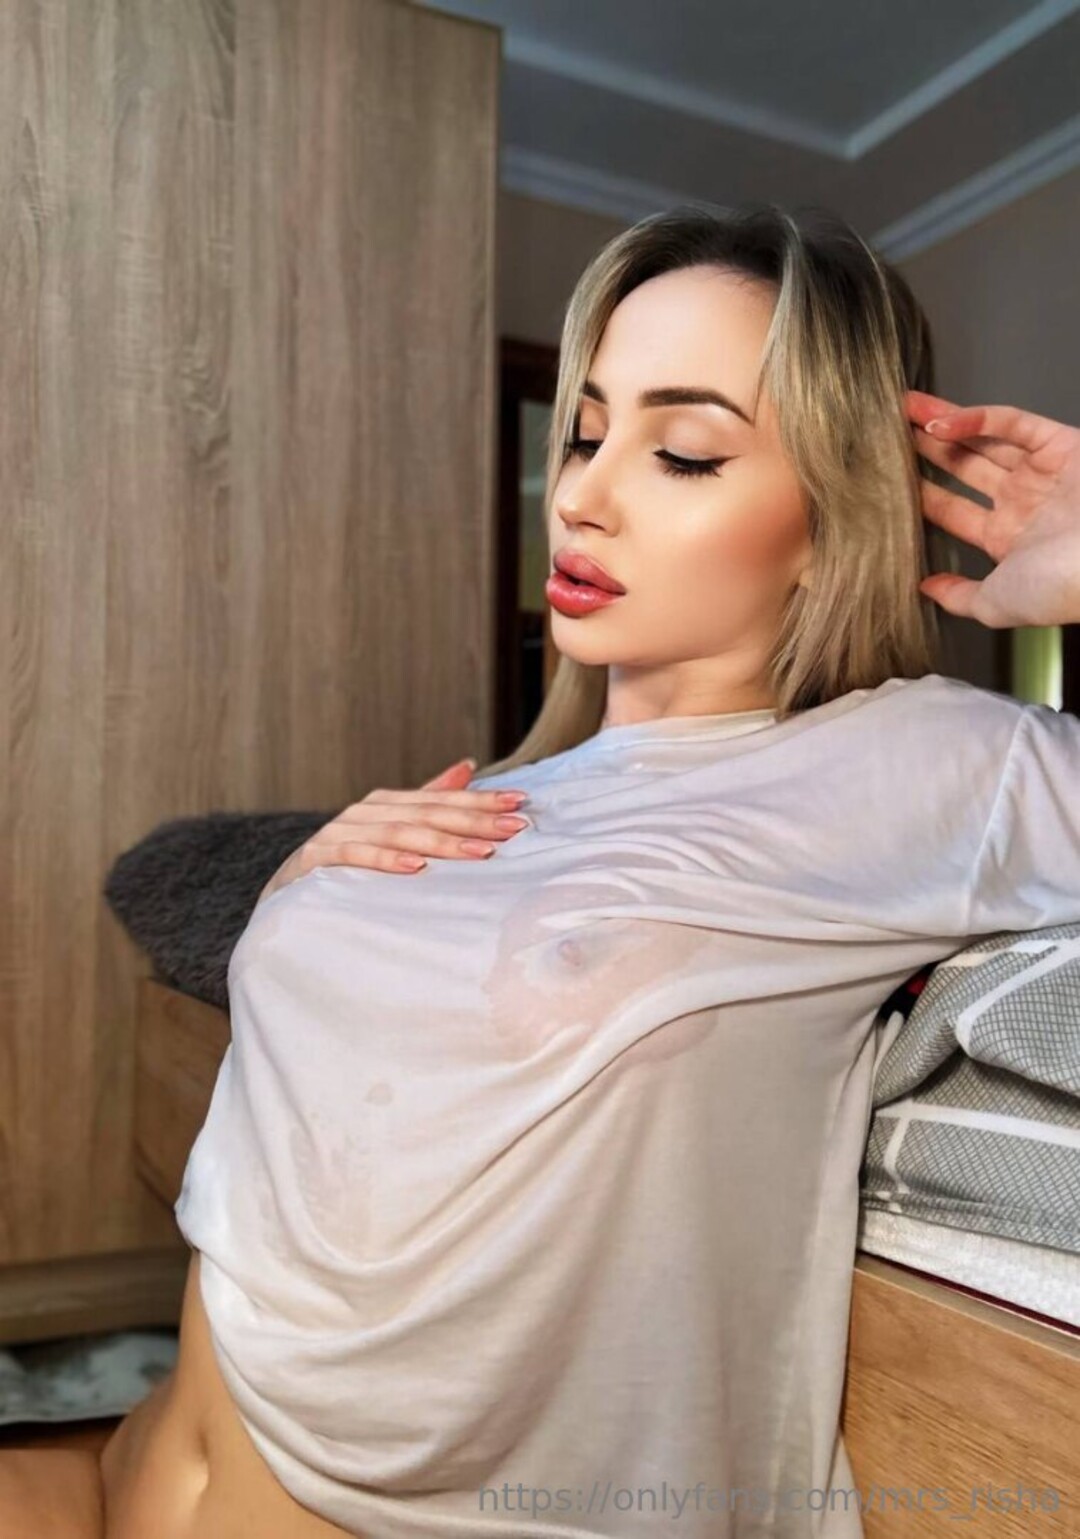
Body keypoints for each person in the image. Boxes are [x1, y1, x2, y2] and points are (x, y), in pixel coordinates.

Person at [15, 201, 1080, 1539]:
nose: (576, 495)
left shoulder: (929, 766)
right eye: (584, 432)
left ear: (834, 516)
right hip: (126, 1465)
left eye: (683, 453)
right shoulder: (502, 794)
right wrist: (294, 889)